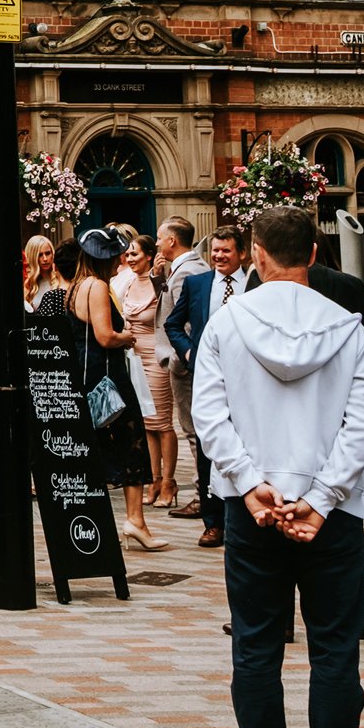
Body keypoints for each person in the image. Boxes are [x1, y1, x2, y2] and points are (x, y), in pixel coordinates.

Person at [194, 206, 364, 728]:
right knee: (335, 654)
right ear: (316, 253)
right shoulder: (350, 329)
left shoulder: (227, 323)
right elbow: (362, 424)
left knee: (255, 651)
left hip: (253, 512)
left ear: (255, 253)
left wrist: (251, 485)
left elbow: (210, 416)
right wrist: (322, 500)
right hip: (333, 516)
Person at [71, 225, 165, 549]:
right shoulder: (96, 287)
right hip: (107, 380)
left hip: (91, 378)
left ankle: (131, 522)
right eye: (115, 256)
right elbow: (105, 336)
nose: (120, 260)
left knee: (108, 447)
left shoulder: (78, 285)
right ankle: (135, 520)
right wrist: (128, 337)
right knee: (132, 443)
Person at [167, 225, 248, 547]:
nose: (219, 256)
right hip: (207, 376)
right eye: (215, 250)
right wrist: (188, 351)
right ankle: (212, 522)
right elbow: (173, 323)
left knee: (244, 442)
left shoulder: (254, 284)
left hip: (245, 377)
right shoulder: (197, 284)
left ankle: (240, 514)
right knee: (207, 445)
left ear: (241, 253)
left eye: (226, 250)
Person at [116, 228, 177, 510]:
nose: (129, 257)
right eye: (127, 253)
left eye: (134, 253)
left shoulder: (158, 283)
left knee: (162, 423)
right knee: (146, 422)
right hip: (135, 356)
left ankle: (169, 481)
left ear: (149, 256)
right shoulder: (128, 284)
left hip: (155, 354)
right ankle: (152, 480)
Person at [153, 216, 208, 519]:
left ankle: (203, 496)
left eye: (160, 238)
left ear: (172, 241)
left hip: (186, 365)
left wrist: (181, 357)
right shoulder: (180, 269)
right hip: (182, 361)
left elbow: (189, 321)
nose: (157, 243)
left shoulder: (189, 271)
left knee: (193, 430)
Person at [21, 234, 63, 312]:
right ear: (33, 257)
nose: (45, 259)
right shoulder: (29, 284)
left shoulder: (61, 278)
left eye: (47, 253)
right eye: (40, 255)